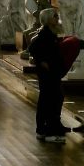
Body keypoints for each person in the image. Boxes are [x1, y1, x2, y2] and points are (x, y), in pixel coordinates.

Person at [29, 8, 66, 142]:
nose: (57, 18)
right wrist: (42, 62)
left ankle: (44, 129)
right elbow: (32, 48)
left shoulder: (51, 33)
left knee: (51, 98)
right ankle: (49, 131)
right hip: (48, 74)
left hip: (52, 72)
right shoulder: (45, 34)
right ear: (48, 20)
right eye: (55, 16)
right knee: (50, 99)